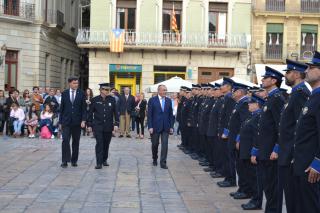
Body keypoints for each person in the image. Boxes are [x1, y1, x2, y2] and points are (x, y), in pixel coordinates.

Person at [277, 59, 310, 213]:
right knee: (290, 196)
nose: (285, 75)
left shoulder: (301, 94)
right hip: (286, 152)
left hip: (291, 155)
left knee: (294, 198)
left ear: (296, 74)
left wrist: (292, 154)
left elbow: (300, 126)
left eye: (288, 72)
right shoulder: (294, 94)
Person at [254, 66, 285, 213]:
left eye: (265, 78)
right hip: (265, 149)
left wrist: (277, 149)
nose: (262, 80)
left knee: (273, 187)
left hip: (271, 151)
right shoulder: (271, 98)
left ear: (273, 81)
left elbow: (280, 126)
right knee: (268, 185)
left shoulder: (277, 98)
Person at [293, 51, 320, 213]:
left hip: (312, 167)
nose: (306, 70)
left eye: (312, 67)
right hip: (303, 163)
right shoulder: (313, 96)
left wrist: (317, 163)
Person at [240, 93, 265, 210]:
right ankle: (252, 197)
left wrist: (254, 152)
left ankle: (257, 201)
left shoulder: (258, 117)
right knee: (250, 176)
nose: (248, 104)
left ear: (258, 105)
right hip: (246, 150)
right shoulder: (252, 116)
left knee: (255, 179)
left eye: (251, 103)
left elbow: (257, 136)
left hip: (251, 151)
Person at [87, 83, 119, 169]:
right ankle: (99, 162)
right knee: (99, 143)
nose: (108, 91)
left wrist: (116, 124)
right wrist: (89, 124)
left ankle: (104, 159)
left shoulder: (112, 100)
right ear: (101, 90)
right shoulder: (95, 100)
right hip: (98, 125)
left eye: (108, 90)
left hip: (108, 126)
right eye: (106, 89)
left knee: (106, 144)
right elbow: (90, 113)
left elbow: (116, 112)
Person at [59, 77, 86, 168]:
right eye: (74, 83)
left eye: (77, 83)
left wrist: (83, 120)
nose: (76, 85)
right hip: (66, 122)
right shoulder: (65, 93)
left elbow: (83, 109)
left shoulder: (81, 93)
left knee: (76, 141)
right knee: (65, 140)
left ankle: (74, 160)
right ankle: (65, 160)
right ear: (69, 83)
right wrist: (60, 122)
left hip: (77, 122)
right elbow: (62, 108)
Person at [147, 85, 174, 169]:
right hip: (155, 127)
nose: (165, 91)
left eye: (166, 90)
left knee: (165, 145)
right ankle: (154, 158)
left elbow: (171, 115)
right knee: (155, 144)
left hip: (166, 126)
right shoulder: (152, 100)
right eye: (164, 90)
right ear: (159, 91)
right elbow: (149, 115)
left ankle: (163, 162)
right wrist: (150, 126)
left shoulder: (169, 101)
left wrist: (171, 126)